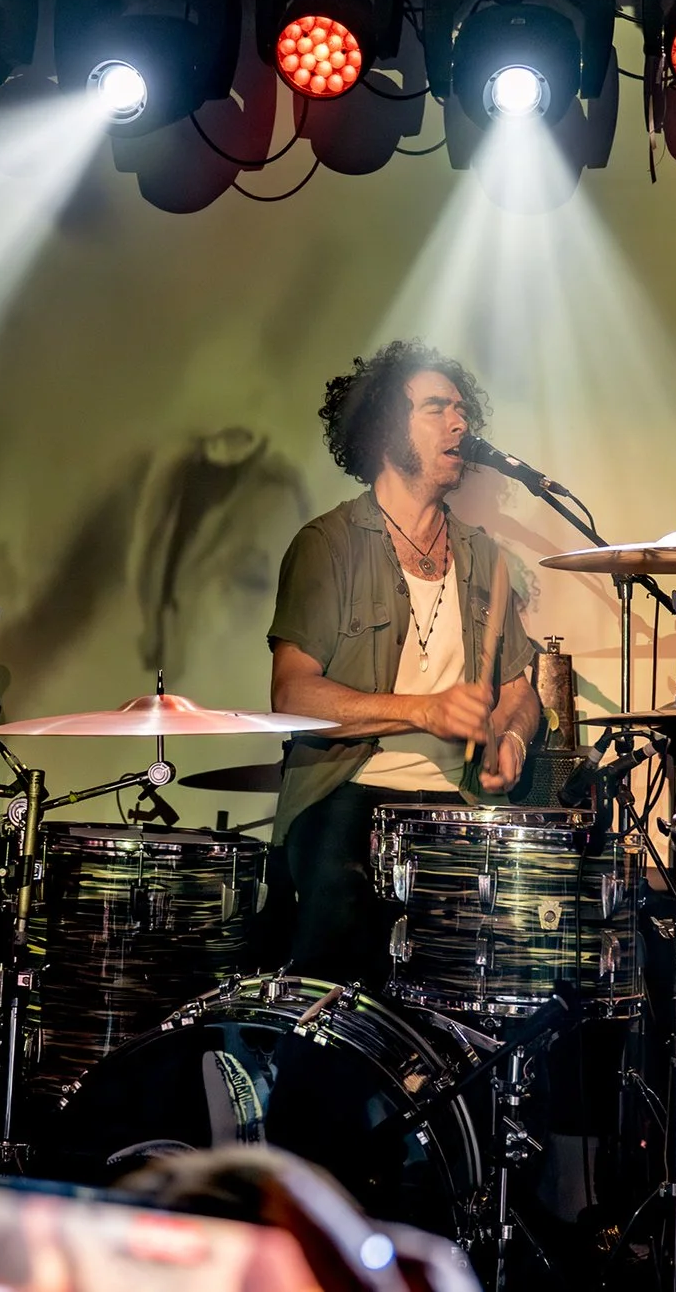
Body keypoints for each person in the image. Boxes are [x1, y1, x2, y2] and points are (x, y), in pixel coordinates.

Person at [267, 341, 541, 985]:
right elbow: (293, 695)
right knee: (344, 990)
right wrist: (425, 710)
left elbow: (518, 690)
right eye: (436, 408)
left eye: (461, 408)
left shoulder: (484, 557)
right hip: (349, 801)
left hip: (457, 809)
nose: (459, 423)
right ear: (387, 428)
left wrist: (512, 739)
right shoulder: (327, 545)